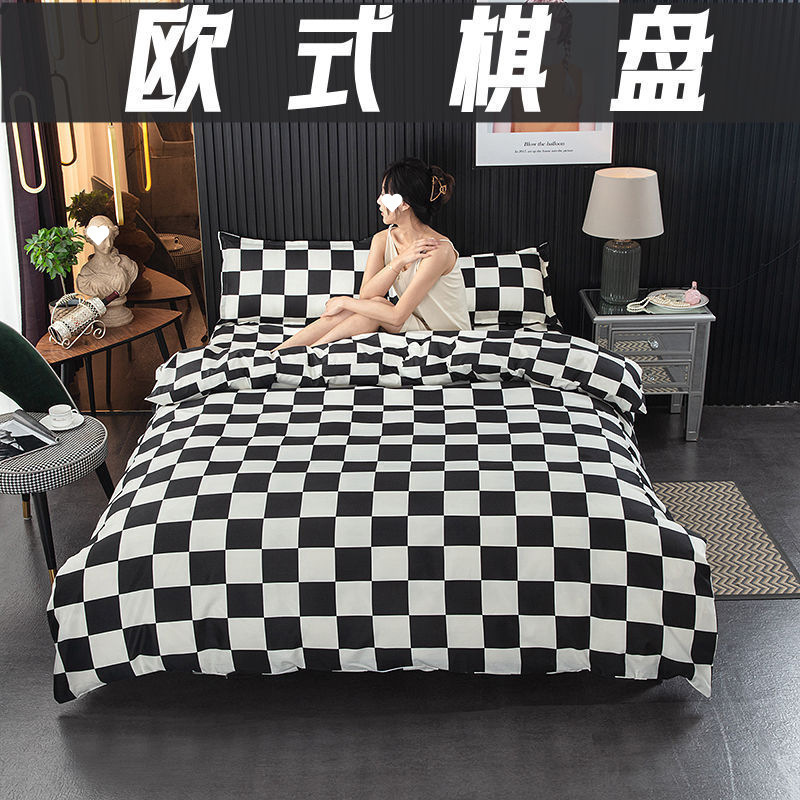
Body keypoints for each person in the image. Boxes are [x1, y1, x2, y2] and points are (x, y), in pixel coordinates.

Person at [272, 157, 469, 351]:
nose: (378, 201)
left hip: (448, 338)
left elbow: (397, 317)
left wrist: (343, 301)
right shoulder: (382, 240)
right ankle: (279, 353)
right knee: (374, 306)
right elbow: (367, 295)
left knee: (374, 310)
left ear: (404, 204)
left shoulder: (437, 250)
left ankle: (309, 353)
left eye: (384, 194)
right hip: (416, 326)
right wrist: (399, 260)